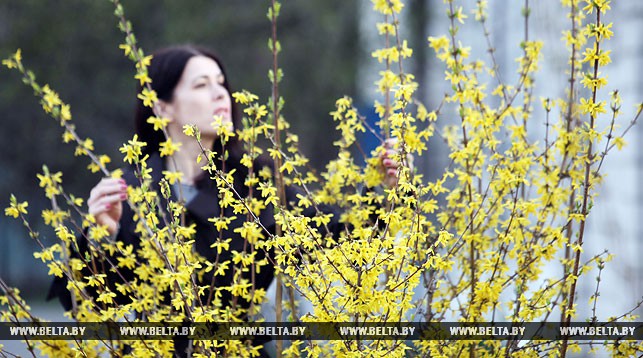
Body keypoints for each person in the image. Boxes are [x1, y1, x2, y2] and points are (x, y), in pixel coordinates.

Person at [48, 44, 408, 356]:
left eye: (222, 83)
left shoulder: (256, 183)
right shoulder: (129, 192)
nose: (221, 94)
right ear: (163, 108)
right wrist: (101, 234)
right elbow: (83, 305)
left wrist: (386, 190)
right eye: (202, 85)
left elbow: (348, 238)